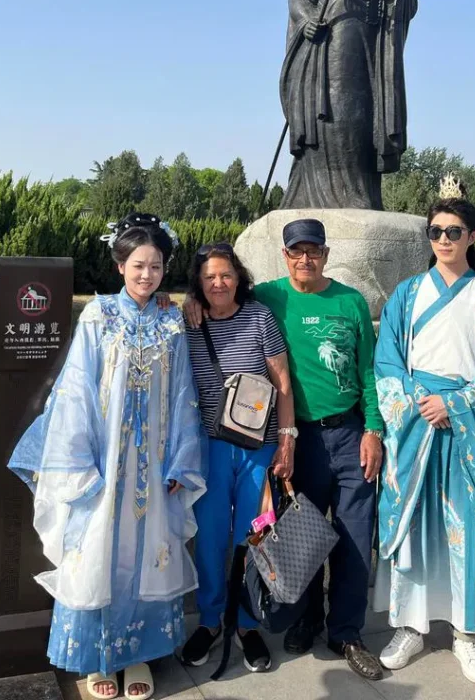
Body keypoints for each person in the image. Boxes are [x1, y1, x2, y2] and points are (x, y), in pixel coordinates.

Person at [9, 213, 206, 700]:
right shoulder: (98, 316)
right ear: (120, 266)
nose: (147, 275)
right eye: (138, 265)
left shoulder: (171, 321)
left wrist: (181, 461)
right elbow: (75, 391)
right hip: (103, 459)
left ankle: (137, 653)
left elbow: (183, 394)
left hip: (154, 461)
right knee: (98, 550)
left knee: (147, 549)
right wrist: (79, 463)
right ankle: (98, 657)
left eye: (156, 266)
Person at [184, 219, 385, 681]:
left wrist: (373, 427)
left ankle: (343, 632)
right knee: (289, 535)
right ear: (285, 255)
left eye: (313, 251)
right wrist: (187, 299)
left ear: (326, 255)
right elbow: (212, 295)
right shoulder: (261, 300)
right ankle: (294, 619)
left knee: (350, 538)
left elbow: (361, 371)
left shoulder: (342, 302)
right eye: (297, 251)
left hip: (334, 435)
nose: (305, 259)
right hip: (256, 443)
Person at [373, 182, 475, 685]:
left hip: (468, 430)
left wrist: (455, 405)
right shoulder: (406, 294)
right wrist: (422, 404)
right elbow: (388, 361)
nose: (443, 239)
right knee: (416, 527)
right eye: (435, 231)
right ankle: (410, 626)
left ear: (472, 236)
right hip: (416, 422)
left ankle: (467, 632)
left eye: (453, 232)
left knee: (468, 529)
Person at [179, 243, 296, 674]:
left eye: (226, 274)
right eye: (209, 277)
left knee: (254, 536)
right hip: (209, 447)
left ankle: (248, 623)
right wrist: (177, 301)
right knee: (210, 538)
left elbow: (282, 383)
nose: (218, 283)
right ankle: (210, 620)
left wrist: (287, 442)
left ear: (238, 277)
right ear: (198, 282)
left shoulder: (259, 318)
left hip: (258, 448)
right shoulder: (190, 321)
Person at [279, 0, 418, 209]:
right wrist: (307, 20)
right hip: (332, 47)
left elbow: (410, 1)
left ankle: (362, 194)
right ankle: (323, 194)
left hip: (369, 56)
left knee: (364, 117)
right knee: (334, 114)